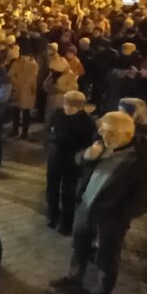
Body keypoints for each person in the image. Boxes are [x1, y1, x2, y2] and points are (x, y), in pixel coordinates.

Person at [51, 111, 147, 294]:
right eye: (101, 130)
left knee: (106, 257)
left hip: (110, 218)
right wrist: (86, 155)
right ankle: (74, 278)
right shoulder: (103, 145)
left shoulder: (144, 160)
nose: (101, 134)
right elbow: (77, 161)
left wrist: (119, 215)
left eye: (106, 131)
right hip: (85, 205)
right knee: (79, 245)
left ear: (124, 135)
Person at [45, 90, 96, 234]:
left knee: (68, 192)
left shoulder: (87, 122)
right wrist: (51, 141)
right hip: (55, 158)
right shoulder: (58, 114)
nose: (67, 107)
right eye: (66, 104)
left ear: (79, 107)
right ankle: (52, 215)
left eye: (71, 105)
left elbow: (87, 143)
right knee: (52, 189)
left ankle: (66, 222)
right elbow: (48, 130)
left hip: (72, 161)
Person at [8, 44, 38, 139]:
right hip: (17, 90)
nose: (24, 57)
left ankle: (24, 133)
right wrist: (16, 79)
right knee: (15, 111)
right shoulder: (17, 62)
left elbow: (31, 79)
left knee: (26, 112)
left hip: (27, 91)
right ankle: (14, 130)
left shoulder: (33, 64)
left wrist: (18, 78)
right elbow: (11, 74)